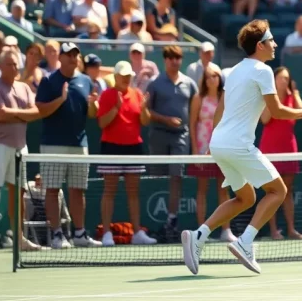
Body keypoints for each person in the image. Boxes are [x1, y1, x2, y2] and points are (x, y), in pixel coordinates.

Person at [181, 20, 302, 275]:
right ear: (260, 45)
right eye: (271, 41)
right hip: (236, 144)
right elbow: (277, 111)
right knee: (278, 191)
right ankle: (245, 242)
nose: (275, 45)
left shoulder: (235, 70)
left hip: (220, 143)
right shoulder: (263, 71)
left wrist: (213, 143)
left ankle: (198, 235)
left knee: (245, 198)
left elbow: (220, 109)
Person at [35, 42, 102, 248]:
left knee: (77, 190)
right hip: (53, 145)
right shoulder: (48, 80)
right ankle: (56, 235)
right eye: (69, 55)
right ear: (61, 57)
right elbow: (41, 110)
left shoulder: (85, 81)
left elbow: (91, 115)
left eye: (76, 55)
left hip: (79, 144)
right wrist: (61, 99)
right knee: (53, 190)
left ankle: (80, 234)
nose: (73, 58)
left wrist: (93, 104)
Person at [97, 61, 157, 247]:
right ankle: (106, 233)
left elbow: (145, 121)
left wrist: (145, 107)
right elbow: (102, 123)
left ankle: (137, 233)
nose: (126, 78)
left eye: (128, 75)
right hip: (112, 147)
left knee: (133, 192)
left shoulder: (137, 94)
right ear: (115, 77)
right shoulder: (107, 95)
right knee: (109, 191)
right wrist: (116, 107)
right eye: (122, 75)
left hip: (133, 148)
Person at [146, 45, 198, 240]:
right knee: (157, 178)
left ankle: (172, 219)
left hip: (180, 137)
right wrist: (165, 119)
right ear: (165, 60)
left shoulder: (190, 84)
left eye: (178, 58)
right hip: (158, 135)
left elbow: (195, 112)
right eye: (171, 58)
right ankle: (152, 223)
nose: (174, 61)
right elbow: (147, 112)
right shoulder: (154, 83)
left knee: (176, 176)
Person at [0, 51, 42, 251]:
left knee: (19, 192)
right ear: (1, 66)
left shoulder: (24, 87)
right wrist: (23, 115)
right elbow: (0, 115)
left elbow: (35, 113)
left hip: (21, 147)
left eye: (16, 64)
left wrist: (14, 113)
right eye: (10, 64)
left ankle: (20, 238)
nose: (14, 68)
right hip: (0, 146)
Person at [188, 66, 235, 243]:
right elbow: (192, 125)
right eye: (208, 77)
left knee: (224, 189)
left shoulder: (225, 99)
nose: (211, 79)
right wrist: (194, 151)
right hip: (202, 150)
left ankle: (226, 230)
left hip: (222, 149)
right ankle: (202, 231)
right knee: (202, 190)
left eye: (215, 76)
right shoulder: (198, 98)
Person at [260, 67, 302, 240]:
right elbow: (264, 119)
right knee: (272, 191)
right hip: (270, 149)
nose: (283, 81)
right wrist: (273, 98)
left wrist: (294, 93)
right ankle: (273, 231)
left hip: (289, 148)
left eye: (286, 78)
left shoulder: (292, 96)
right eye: (280, 78)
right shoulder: (268, 98)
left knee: (287, 191)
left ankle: (291, 230)